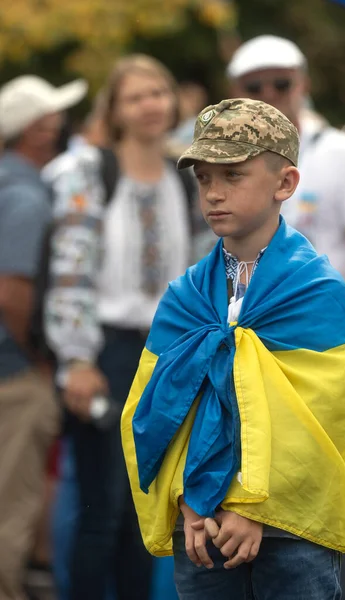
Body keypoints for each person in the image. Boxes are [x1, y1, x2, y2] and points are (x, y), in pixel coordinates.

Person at [121, 98, 345, 600]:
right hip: (203, 526)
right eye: (203, 179)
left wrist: (253, 507)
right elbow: (155, 410)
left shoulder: (316, 290)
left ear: (285, 185)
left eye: (233, 176)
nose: (214, 194)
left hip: (291, 530)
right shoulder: (185, 298)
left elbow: (325, 419)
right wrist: (186, 500)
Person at [44, 54, 190, 600]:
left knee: (149, 514)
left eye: (158, 91)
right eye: (136, 96)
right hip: (104, 352)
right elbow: (71, 267)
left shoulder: (189, 174)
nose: (151, 104)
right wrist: (76, 359)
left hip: (171, 356)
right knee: (101, 508)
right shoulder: (90, 172)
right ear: (116, 110)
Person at [0, 75, 87, 600]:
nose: (59, 122)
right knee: (11, 508)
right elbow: (12, 292)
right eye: (51, 114)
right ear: (35, 128)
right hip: (14, 374)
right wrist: (37, 360)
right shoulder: (27, 193)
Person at [226, 35, 345, 314]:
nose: (268, 94)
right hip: (252, 330)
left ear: (304, 85)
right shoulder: (221, 164)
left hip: (328, 328)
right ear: (235, 92)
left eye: (281, 83)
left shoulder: (342, 152)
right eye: (254, 86)